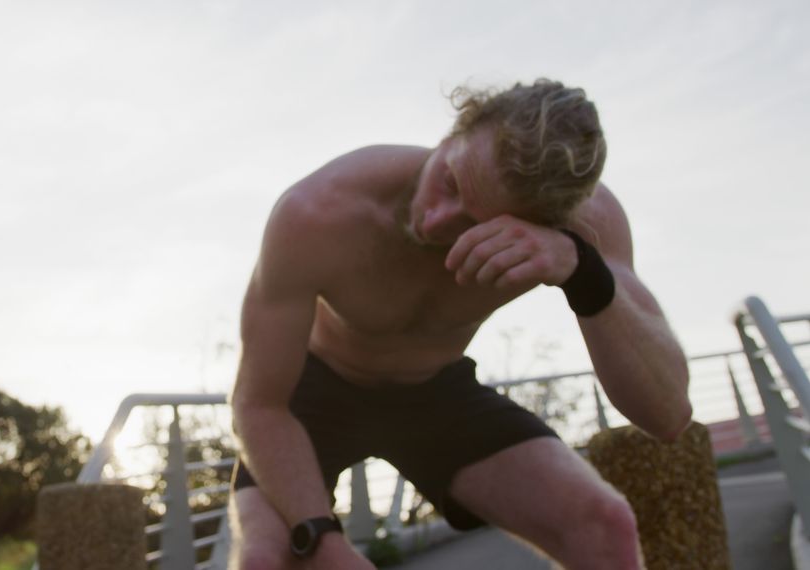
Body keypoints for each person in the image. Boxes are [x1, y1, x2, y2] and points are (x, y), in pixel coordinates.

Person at [227, 79, 693, 570]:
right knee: (264, 558)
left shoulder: (588, 228)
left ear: (547, 222)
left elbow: (667, 415)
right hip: (310, 394)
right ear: (454, 133)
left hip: (434, 393)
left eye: (477, 224)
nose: (435, 220)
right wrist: (318, 536)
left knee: (606, 526)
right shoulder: (320, 211)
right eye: (449, 182)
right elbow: (257, 403)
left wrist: (581, 270)